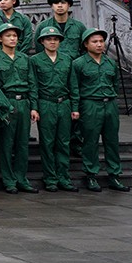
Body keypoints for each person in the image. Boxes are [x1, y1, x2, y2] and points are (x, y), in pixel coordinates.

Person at [71, 28, 131, 192]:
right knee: (90, 141)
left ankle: (114, 175)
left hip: (109, 104)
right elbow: (75, 88)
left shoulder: (110, 62)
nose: (99, 44)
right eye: (94, 42)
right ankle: (91, 175)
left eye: (101, 41)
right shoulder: (78, 64)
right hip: (90, 104)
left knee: (112, 141)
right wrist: (76, 108)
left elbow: (115, 84)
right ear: (86, 44)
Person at [0, 21, 38, 193]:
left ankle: (21, 178)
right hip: (7, 102)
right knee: (6, 143)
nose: (12, 39)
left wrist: (34, 107)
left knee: (22, 143)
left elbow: (32, 84)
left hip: (24, 102)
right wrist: (0, 107)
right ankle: (8, 179)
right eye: (8, 36)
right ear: (0, 39)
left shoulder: (25, 58)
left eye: (15, 36)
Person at [30, 24, 76, 192]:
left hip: (64, 103)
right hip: (46, 103)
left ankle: (64, 176)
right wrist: (34, 107)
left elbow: (73, 85)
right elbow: (33, 85)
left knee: (63, 142)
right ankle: (50, 178)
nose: (52, 42)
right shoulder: (35, 60)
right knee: (47, 143)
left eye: (55, 39)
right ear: (42, 41)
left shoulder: (66, 59)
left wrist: (75, 107)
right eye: (49, 39)